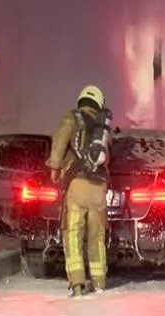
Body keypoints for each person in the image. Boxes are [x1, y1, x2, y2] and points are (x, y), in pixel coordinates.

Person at [46, 85, 111, 298]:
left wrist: (55, 167)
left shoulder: (72, 118)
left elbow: (59, 143)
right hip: (99, 188)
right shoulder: (104, 127)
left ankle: (77, 285)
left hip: (77, 184)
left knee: (73, 233)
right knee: (97, 236)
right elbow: (107, 158)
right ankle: (100, 282)